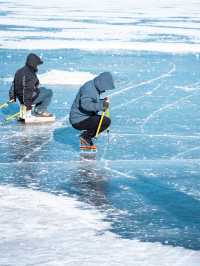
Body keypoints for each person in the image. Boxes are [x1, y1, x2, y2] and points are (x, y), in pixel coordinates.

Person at [69, 72, 115, 146]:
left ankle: (86, 136)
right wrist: (101, 105)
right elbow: (85, 105)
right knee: (105, 121)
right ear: (102, 83)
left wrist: (102, 102)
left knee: (104, 120)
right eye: (105, 87)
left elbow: (92, 101)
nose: (105, 90)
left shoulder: (93, 86)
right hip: (78, 120)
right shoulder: (89, 89)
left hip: (83, 117)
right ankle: (85, 136)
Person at [9, 53, 53, 117]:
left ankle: (37, 108)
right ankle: (40, 110)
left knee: (43, 89)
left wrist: (12, 97)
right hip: (27, 99)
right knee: (49, 92)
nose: (37, 66)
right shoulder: (30, 74)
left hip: (20, 97)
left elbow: (13, 86)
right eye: (36, 64)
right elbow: (28, 90)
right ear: (33, 63)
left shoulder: (19, 71)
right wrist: (27, 107)